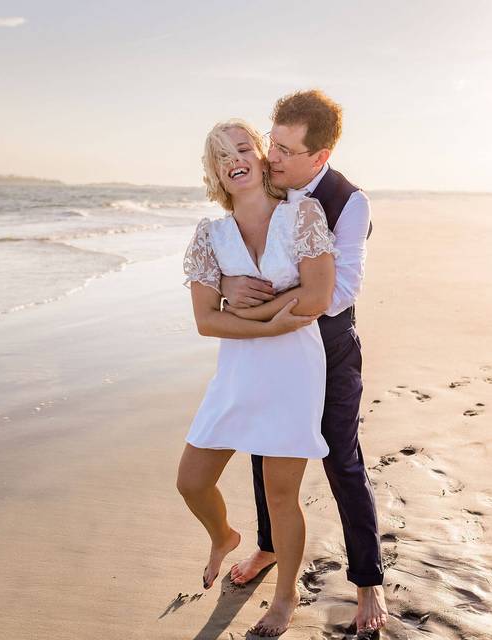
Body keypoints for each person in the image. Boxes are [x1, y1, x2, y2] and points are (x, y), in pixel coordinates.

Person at [222, 90, 388, 636]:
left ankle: (367, 582)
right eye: (273, 142)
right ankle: (269, 548)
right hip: (274, 347)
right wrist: (228, 282)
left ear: (320, 156)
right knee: (264, 450)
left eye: (288, 151)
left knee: (342, 459)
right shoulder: (270, 183)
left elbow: (338, 290)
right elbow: (237, 242)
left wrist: (265, 306)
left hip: (331, 347)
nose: (273, 158)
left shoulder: (350, 202)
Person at [177, 117, 339, 637]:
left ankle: (285, 596)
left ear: (261, 155)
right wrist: (265, 319)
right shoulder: (211, 236)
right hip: (238, 373)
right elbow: (206, 321)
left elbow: (316, 298)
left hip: (293, 371)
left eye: (241, 147)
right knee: (192, 480)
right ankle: (223, 535)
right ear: (216, 174)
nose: (233, 160)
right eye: (221, 157)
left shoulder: (303, 215)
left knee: (280, 494)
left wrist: (242, 312)